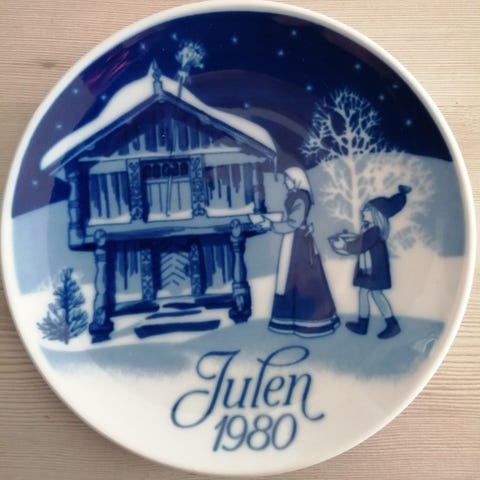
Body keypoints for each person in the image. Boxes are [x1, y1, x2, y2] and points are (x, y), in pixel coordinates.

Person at [261, 167, 340, 337]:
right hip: (296, 240)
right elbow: (293, 219)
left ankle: (308, 321)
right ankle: (294, 320)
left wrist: (271, 225)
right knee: (294, 278)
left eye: (287, 179)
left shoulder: (300, 197)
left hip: (298, 244)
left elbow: (293, 223)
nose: (285, 183)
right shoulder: (297, 195)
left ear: (296, 179)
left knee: (299, 278)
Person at [331, 185, 411, 339]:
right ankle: (364, 324)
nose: (363, 211)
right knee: (365, 293)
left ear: (376, 214)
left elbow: (361, 245)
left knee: (376, 295)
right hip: (368, 270)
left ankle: (391, 325)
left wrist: (344, 246)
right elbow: (361, 242)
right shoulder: (370, 229)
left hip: (375, 271)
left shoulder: (374, 230)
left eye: (367, 209)